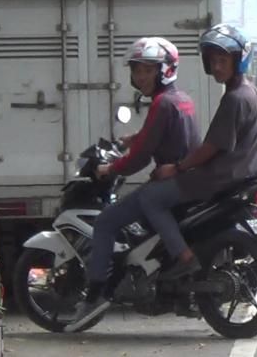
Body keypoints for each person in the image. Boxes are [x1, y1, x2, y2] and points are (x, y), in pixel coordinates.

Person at [66, 37, 201, 331]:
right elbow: (160, 135)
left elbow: (139, 160)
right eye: (137, 70)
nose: (141, 76)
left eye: (148, 70)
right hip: (188, 179)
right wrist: (133, 139)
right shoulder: (181, 98)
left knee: (106, 222)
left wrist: (109, 168)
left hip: (173, 182)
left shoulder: (162, 104)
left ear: (164, 70)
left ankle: (96, 294)